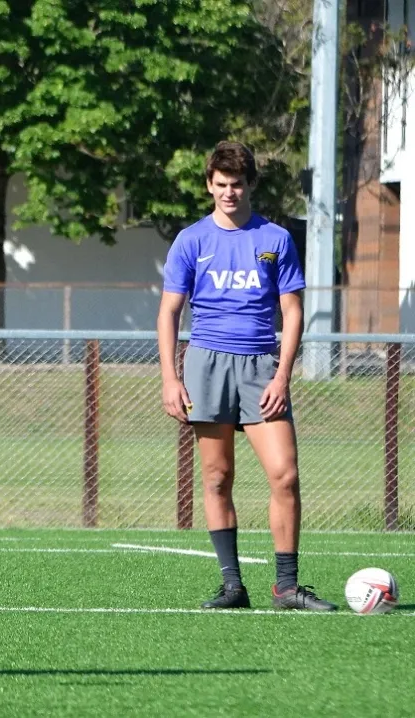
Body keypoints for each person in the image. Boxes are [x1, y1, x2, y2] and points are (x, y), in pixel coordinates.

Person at [157, 141, 335, 612]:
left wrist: (283, 376)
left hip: (261, 366)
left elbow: (292, 312)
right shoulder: (190, 240)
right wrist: (170, 378)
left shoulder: (275, 239)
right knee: (217, 477)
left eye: (237, 184)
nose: (229, 193)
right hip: (206, 363)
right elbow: (169, 312)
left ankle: (287, 587)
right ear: (208, 185)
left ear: (250, 184)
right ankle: (233, 586)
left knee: (285, 475)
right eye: (220, 185)